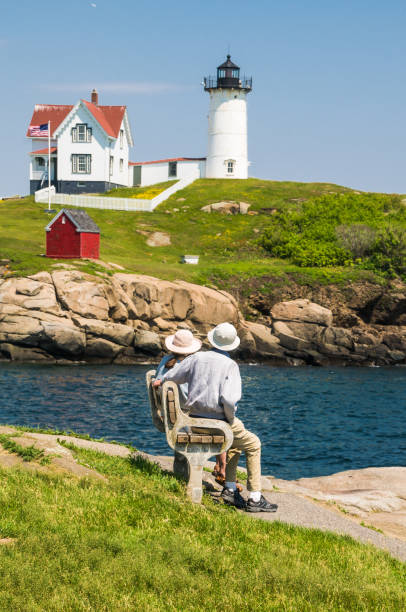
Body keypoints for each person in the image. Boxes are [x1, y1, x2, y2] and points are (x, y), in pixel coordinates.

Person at [154, 322, 277, 512]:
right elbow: (229, 400)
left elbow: (172, 377)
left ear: (212, 339)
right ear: (232, 345)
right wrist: (229, 418)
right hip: (218, 424)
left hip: (193, 421)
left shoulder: (196, 358)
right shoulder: (230, 365)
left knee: (237, 441)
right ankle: (255, 497)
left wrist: (160, 381)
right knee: (254, 444)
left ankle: (229, 488)